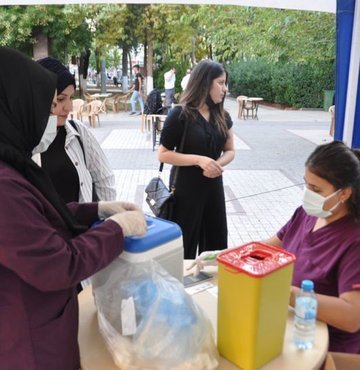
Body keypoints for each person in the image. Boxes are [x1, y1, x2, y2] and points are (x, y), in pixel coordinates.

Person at [0, 46, 147, 369]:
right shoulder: (3, 185)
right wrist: (117, 229)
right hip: (32, 345)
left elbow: (39, 218)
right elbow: (60, 264)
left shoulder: (13, 165)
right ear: (15, 108)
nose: (52, 117)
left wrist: (97, 210)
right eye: (46, 107)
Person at [193, 140, 360, 354]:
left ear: (344, 193)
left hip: (322, 346)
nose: (307, 193)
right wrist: (226, 255)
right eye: (306, 184)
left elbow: (352, 316)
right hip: (287, 323)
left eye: (316, 189)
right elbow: (270, 246)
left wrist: (287, 293)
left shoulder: (354, 241)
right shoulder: (306, 214)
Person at [158, 59, 235, 259]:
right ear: (205, 82)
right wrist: (199, 160)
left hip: (213, 188)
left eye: (225, 83)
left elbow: (230, 150)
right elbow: (163, 154)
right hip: (185, 191)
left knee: (216, 247)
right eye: (220, 82)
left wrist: (215, 164)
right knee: (184, 250)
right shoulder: (179, 115)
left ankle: (211, 288)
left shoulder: (223, 116)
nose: (225, 89)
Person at [35, 57, 116, 203]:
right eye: (60, 99)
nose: (69, 107)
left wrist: (104, 218)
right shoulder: (21, 142)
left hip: (82, 225)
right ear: (39, 98)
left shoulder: (78, 132)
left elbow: (104, 178)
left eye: (71, 98)